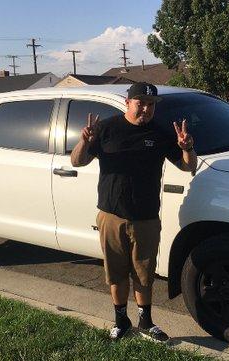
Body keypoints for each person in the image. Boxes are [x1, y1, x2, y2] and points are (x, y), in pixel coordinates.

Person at [71, 82, 197, 342]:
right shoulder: (106, 129)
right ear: (128, 103)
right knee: (116, 273)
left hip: (147, 216)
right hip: (111, 215)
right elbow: (77, 161)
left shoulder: (161, 133)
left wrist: (186, 147)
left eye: (151, 105)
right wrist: (84, 142)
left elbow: (188, 167)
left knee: (144, 273)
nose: (146, 109)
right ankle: (121, 322)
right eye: (141, 104)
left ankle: (145, 321)